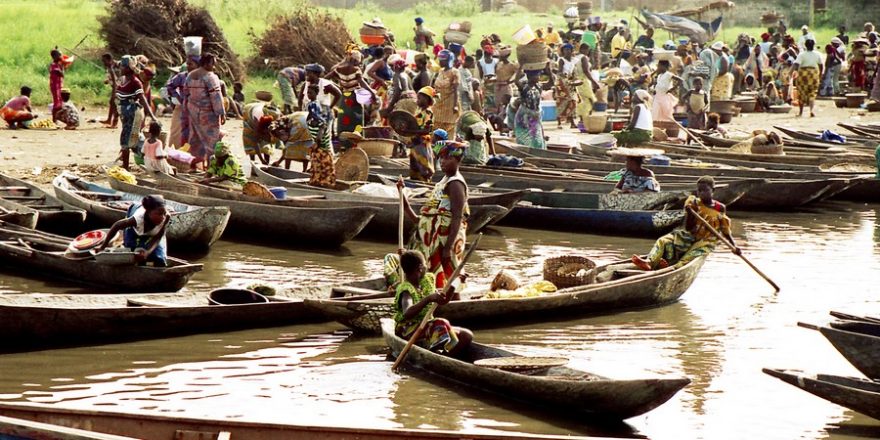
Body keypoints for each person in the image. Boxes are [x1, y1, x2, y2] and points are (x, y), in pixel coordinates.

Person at [395, 141, 470, 289]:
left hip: (446, 238)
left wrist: (448, 247)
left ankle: (451, 301)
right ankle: (429, 298)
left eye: (447, 158)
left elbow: (457, 217)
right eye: (441, 158)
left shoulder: (456, 184)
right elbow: (420, 219)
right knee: (431, 275)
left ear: (458, 160)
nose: (442, 162)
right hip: (432, 239)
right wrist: (401, 194)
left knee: (449, 274)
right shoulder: (442, 182)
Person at [632, 176, 740, 271]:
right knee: (663, 241)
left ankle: (671, 269)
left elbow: (725, 230)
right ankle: (650, 262)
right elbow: (688, 227)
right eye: (699, 191)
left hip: (705, 241)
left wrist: (734, 247)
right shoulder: (693, 203)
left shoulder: (720, 208)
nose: (701, 193)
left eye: (705, 190)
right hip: (689, 236)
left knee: (686, 260)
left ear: (713, 190)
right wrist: (689, 213)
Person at [392, 250, 472, 356]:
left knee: (466, 335)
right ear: (420, 268)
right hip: (408, 329)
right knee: (440, 323)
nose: (427, 266)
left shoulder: (426, 282)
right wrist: (428, 299)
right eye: (425, 264)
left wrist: (455, 283)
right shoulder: (406, 289)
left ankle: (445, 357)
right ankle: (436, 352)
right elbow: (407, 313)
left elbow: (443, 300)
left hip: (427, 326)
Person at [99, 195, 170, 267]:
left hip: (153, 234)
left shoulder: (166, 217)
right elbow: (116, 226)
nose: (163, 217)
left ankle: (143, 264)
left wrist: (148, 252)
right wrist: (103, 247)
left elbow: (158, 237)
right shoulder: (136, 219)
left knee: (160, 260)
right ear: (148, 212)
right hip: (134, 229)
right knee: (132, 253)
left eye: (164, 213)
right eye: (160, 214)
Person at [185, 54, 226, 169]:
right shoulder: (210, 77)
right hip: (208, 114)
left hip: (193, 111)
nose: (214, 66)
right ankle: (210, 167)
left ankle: (194, 166)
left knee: (195, 138)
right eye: (213, 63)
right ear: (207, 63)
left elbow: (186, 93)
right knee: (211, 140)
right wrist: (221, 113)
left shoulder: (190, 75)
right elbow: (216, 97)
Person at [117, 55, 158, 170]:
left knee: (132, 140)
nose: (121, 68)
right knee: (126, 140)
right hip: (125, 114)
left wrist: (152, 115)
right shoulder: (122, 80)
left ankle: (156, 162)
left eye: (123, 66)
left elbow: (143, 99)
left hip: (133, 115)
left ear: (129, 67)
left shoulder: (136, 82)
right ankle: (126, 168)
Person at [164, 56, 198, 148]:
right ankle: (176, 155)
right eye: (187, 64)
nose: (188, 66)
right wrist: (179, 98)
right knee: (176, 132)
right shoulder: (181, 77)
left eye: (190, 64)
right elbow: (169, 87)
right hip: (182, 108)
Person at [302, 63, 343, 139]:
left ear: (315, 74)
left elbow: (338, 94)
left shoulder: (325, 84)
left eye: (308, 72)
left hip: (323, 113)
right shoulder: (305, 84)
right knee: (310, 135)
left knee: (323, 136)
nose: (306, 74)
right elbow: (300, 98)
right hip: (308, 113)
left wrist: (330, 107)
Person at [242, 91, 282, 165]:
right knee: (250, 138)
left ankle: (267, 162)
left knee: (266, 143)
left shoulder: (276, 117)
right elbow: (255, 141)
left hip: (262, 115)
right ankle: (252, 162)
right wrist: (261, 160)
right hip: (249, 113)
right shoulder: (256, 123)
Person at [305, 102, 336, 189]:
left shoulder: (309, 122)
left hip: (317, 152)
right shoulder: (322, 123)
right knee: (326, 174)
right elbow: (319, 138)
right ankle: (324, 189)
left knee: (317, 172)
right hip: (323, 152)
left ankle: (317, 188)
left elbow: (317, 138)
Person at [514, 70, 546, 149]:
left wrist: (548, 70)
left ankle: (537, 156)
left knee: (538, 140)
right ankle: (525, 156)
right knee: (525, 139)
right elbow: (516, 81)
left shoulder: (538, 86)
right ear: (530, 77)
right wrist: (521, 66)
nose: (539, 77)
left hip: (535, 117)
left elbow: (552, 83)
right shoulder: (524, 87)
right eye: (537, 75)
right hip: (524, 118)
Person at [432, 50, 460, 138]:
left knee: (448, 131)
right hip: (438, 105)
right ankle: (436, 150)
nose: (440, 62)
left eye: (442, 60)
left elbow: (456, 90)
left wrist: (455, 105)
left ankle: (447, 150)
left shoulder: (454, 72)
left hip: (450, 106)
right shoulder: (440, 72)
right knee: (436, 131)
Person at [574, 43, 602, 130]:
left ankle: (582, 120)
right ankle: (586, 120)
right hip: (584, 81)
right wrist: (594, 82)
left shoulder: (576, 57)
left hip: (577, 81)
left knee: (582, 100)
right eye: (587, 50)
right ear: (583, 49)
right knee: (589, 100)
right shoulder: (584, 57)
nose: (588, 52)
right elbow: (586, 71)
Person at [794, 38, 823, 117]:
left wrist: (794, 71)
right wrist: (820, 75)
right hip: (813, 74)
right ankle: (811, 110)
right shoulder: (817, 54)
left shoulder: (802, 54)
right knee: (812, 93)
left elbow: (796, 64)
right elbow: (821, 65)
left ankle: (801, 112)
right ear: (813, 45)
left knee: (801, 92)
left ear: (805, 46)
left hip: (803, 74)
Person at [555, 43, 579, 129]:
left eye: (569, 50)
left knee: (572, 102)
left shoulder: (574, 60)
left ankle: (572, 122)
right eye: (565, 50)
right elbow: (559, 72)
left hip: (570, 82)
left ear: (572, 51)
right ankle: (559, 122)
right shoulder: (561, 60)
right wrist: (565, 77)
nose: (567, 51)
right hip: (561, 83)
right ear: (563, 51)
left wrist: (574, 79)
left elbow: (574, 72)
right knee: (562, 102)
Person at [652, 60, 679, 124]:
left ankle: (669, 127)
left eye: (659, 66)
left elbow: (680, 80)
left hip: (664, 97)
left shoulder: (668, 74)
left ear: (664, 66)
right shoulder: (659, 75)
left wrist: (672, 89)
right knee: (656, 113)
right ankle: (657, 128)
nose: (658, 68)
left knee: (667, 114)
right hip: (657, 97)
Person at [494, 46, 519, 115]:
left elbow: (519, 74)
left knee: (507, 104)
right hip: (498, 87)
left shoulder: (511, 65)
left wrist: (511, 80)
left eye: (501, 56)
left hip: (506, 87)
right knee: (498, 104)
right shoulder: (499, 64)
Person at [100, 53, 120, 128]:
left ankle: (115, 122)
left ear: (110, 60)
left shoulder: (115, 67)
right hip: (116, 87)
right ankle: (109, 119)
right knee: (112, 103)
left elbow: (116, 82)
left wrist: (114, 93)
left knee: (115, 103)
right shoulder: (110, 66)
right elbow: (115, 78)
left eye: (104, 61)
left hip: (119, 88)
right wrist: (108, 80)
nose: (103, 63)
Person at [49, 49, 66, 123]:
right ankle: (54, 119)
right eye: (59, 55)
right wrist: (62, 66)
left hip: (59, 86)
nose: (61, 56)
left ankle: (57, 119)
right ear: (55, 56)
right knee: (56, 103)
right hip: (55, 86)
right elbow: (61, 74)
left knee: (60, 102)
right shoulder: (53, 65)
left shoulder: (58, 65)